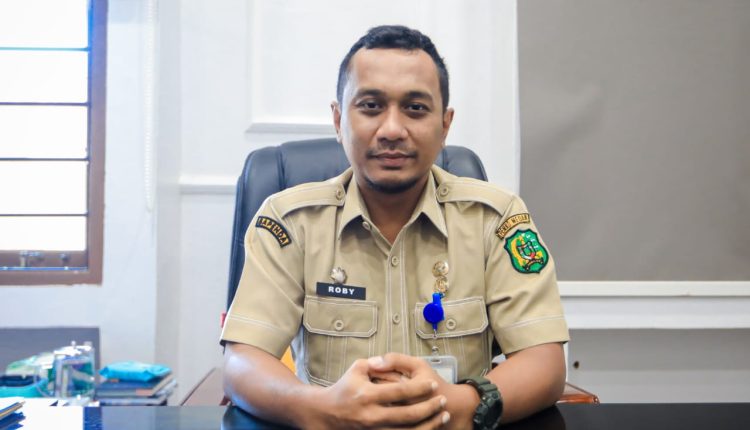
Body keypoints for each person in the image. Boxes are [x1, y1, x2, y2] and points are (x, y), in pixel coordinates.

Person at [221, 25, 569, 429]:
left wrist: (461, 405)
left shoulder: (494, 219)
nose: (391, 130)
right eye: (371, 106)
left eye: (415, 108)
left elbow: (545, 362)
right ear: (338, 119)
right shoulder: (290, 222)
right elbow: (242, 361)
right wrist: (321, 410)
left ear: (445, 125)